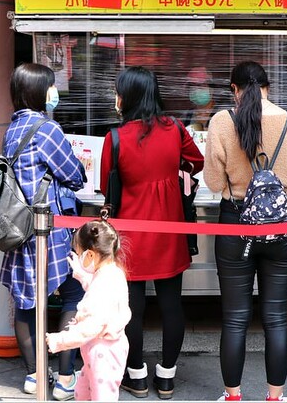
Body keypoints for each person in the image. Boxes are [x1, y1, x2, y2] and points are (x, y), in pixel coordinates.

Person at [204, 60, 287, 402]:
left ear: (234, 91)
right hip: (282, 232)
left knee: (235, 318)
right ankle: (274, 396)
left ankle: (233, 396)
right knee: (276, 317)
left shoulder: (222, 122)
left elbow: (212, 182)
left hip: (235, 227)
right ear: (269, 87)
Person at [102, 66, 204, 400]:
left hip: (130, 236)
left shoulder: (115, 139)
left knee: (132, 309)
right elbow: (197, 161)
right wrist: (176, 169)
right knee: (171, 304)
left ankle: (137, 377)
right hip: (169, 230)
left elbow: (106, 187)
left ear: (127, 96)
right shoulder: (174, 127)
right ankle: (167, 378)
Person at [0, 63, 86, 401]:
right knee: (72, 297)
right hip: (49, 231)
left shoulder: (13, 128)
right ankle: (65, 378)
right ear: (38, 92)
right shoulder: (46, 129)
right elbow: (74, 174)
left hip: (19, 231)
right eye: (51, 86)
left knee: (25, 305)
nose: (55, 92)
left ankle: (36, 376)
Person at [46, 218, 132, 402]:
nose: (78, 257)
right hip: (100, 350)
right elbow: (99, 296)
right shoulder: (112, 272)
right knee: (83, 392)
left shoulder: (104, 280)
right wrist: (83, 276)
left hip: (103, 353)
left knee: (101, 396)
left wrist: (60, 340)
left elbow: (92, 325)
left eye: (78, 253)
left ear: (91, 255)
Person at [182, 66, 218, 132]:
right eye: (192, 86)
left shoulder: (221, 115)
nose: (196, 90)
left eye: (201, 85)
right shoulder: (186, 116)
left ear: (212, 89)